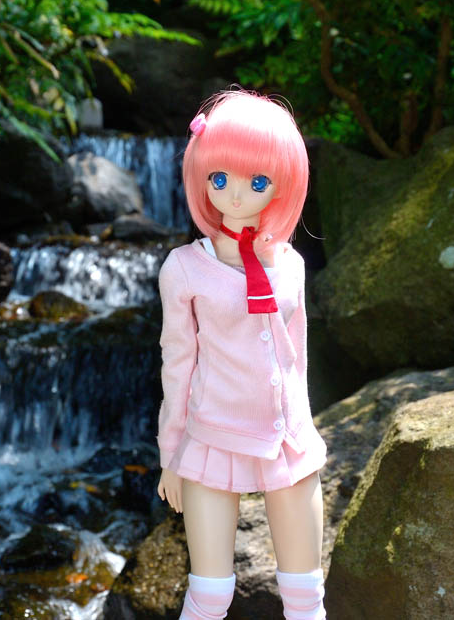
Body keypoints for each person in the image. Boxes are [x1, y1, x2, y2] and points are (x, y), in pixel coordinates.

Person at [155, 89, 327, 620]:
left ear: (283, 183)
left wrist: (302, 427)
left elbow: (295, 359)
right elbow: (177, 365)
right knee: (209, 595)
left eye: (257, 182)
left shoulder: (291, 264)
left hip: (286, 440)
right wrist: (171, 453)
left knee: (306, 594)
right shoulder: (185, 268)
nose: (234, 194)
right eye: (218, 177)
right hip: (213, 436)